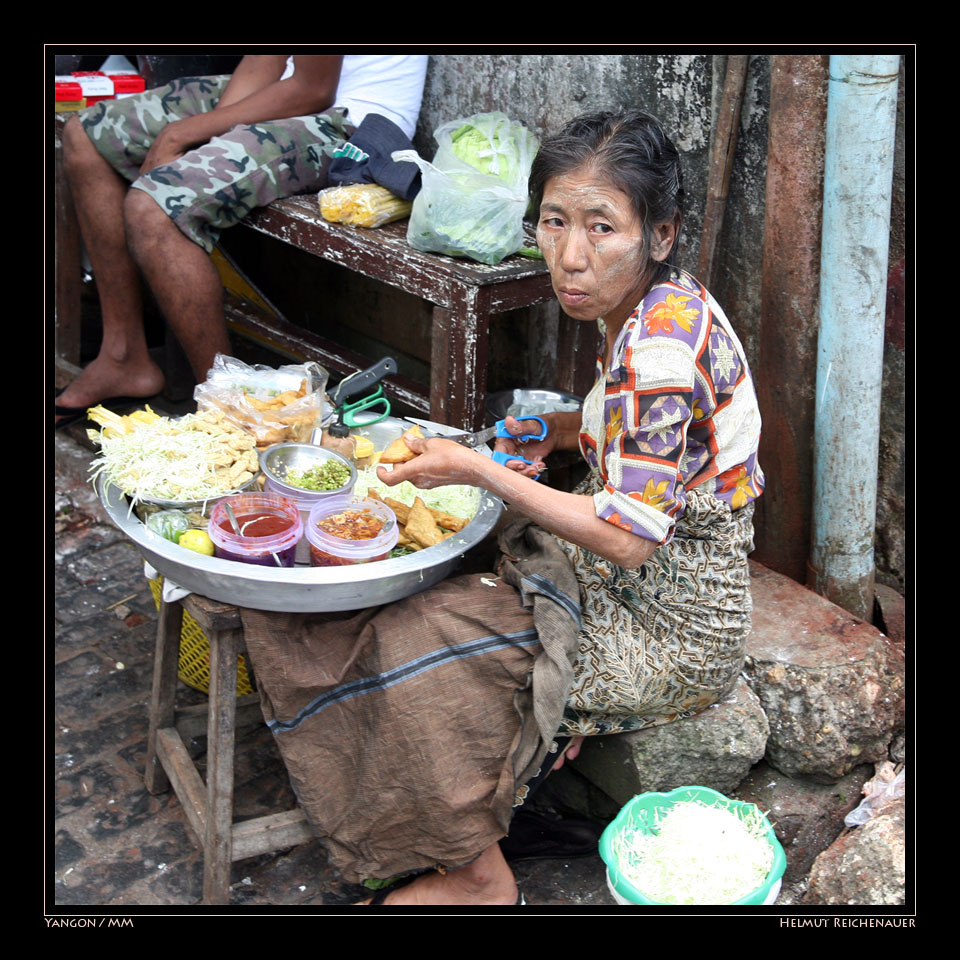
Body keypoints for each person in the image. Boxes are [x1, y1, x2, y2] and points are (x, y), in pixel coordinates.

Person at [234, 109, 764, 908]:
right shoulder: (656, 303)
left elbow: (625, 541)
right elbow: (644, 443)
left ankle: (477, 877)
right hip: (627, 576)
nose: (571, 257)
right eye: (554, 221)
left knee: (423, 635)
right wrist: (554, 431)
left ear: (660, 234)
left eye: (601, 228)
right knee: (421, 579)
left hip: (671, 625)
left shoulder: (661, 348)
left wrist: (480, 469)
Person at [55, 54, 428, 425]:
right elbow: (264, 59)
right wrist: (210, 135)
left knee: (154, 207)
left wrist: (181, 134)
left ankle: (227, 418)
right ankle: (123, 356)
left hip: (351, 126)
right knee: (86, 136)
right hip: (288, 92)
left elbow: (313, 88)